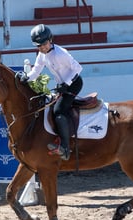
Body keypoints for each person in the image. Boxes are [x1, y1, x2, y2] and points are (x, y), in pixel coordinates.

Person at [19, 24, 83, 161]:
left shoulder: (60, 53)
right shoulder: (41, 55)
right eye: (39, 46)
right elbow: (36, 71)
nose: (43, 47)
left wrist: (66, 83)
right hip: (62, 85)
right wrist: (26, 78)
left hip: (74, 84)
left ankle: (65, 148)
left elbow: (78, 68)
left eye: (45, 44)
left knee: (59, 111)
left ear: (50, 40)